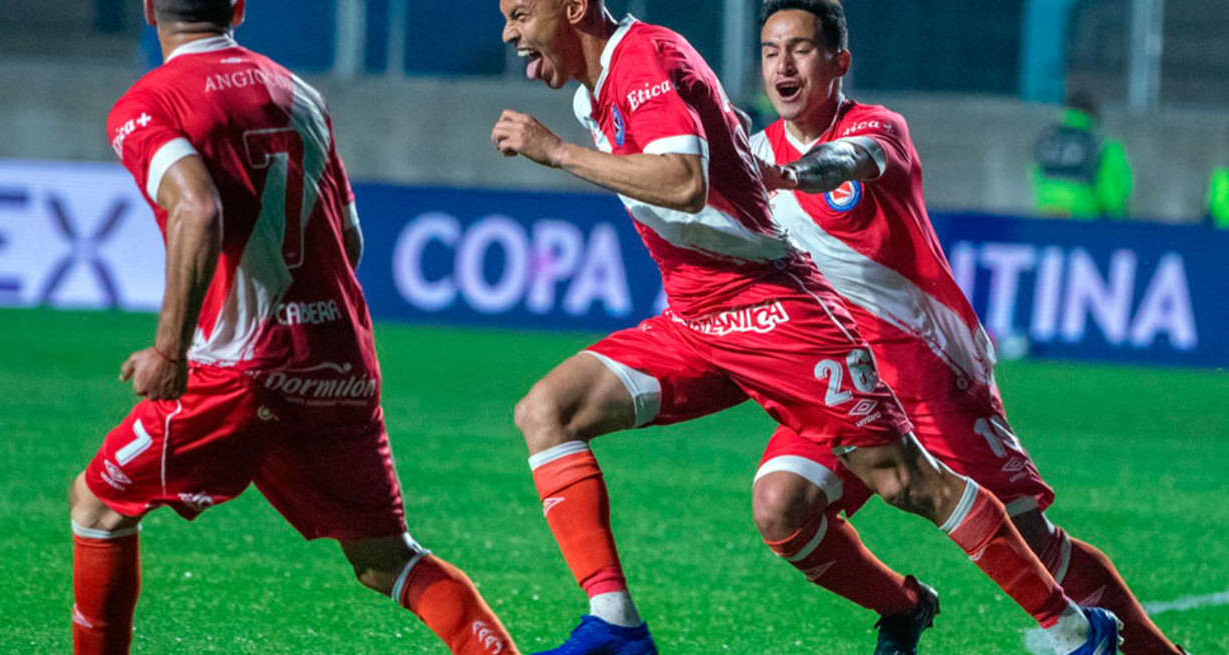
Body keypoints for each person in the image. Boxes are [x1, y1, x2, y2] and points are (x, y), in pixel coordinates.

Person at [492, 1, 1118, 654]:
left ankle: (1076, 629)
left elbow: (683, 180)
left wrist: (557, 153)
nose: (509, 32)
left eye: (520, 13)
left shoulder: (645, 58)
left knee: (906, 480)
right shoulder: (595, 95)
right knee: (548, 411)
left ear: (573, 8)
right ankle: (617, 624)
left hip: (774, 311)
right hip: (697, 319)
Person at [67, 2, 520, 654]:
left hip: (238, 371)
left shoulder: (152, 102)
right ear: (238, 7)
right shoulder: (297, 92)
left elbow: (196, 208)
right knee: (385, 558)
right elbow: (351, 239)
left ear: (146, 10)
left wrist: (171, 348)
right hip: (339, 360)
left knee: (98, 505)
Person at [750, 1, 1185, 654]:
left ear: (839, 61)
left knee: (1033, 540)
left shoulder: (877, 128)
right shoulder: (756, 154)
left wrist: (794, 173)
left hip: (931, 370)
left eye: (801, 48)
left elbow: (849, 161)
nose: (783, 65)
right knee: (780, 505)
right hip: (846, 378)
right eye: (769, 50)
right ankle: (904, 604)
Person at [1031, 91, 1133, 220]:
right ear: (1094, 114)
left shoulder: (1048, 140)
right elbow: (1112, 197)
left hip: (1046, 217)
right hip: (1084, 223)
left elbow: (1036, 177)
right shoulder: (1102, 145)